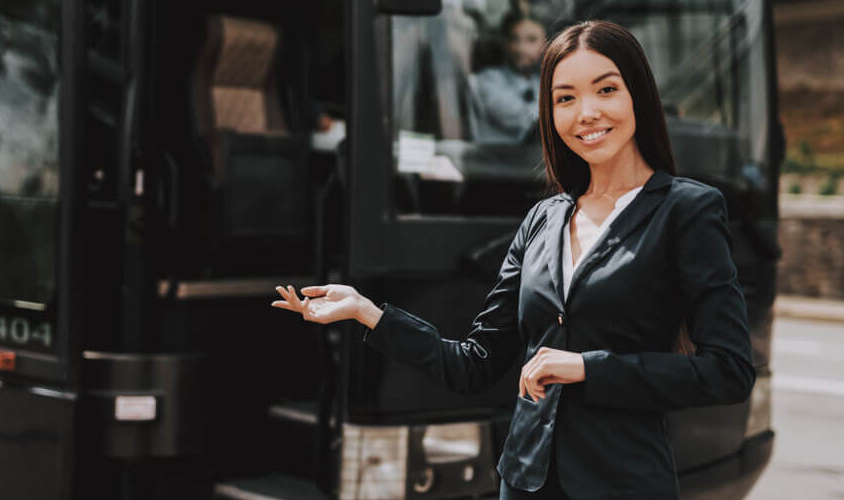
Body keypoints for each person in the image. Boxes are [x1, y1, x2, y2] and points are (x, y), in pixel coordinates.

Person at [272, 20, 755, 499]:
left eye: (605, 90)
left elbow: (728, 370)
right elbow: (473, 364)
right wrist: (365, 310)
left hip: (624, 483)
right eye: (565, 98)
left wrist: (589, 367)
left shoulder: (687, 210)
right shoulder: (542, 219)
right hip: (524, 483)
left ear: (638, 97)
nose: (586, 112)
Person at [472, 10, 546, 143]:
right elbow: (523, 119)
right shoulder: (487, 80)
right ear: (505, 43)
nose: (521, 49)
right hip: (496, 159)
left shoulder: (544, 83)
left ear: (544, 44)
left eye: (531, 40)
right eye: (514, 39)